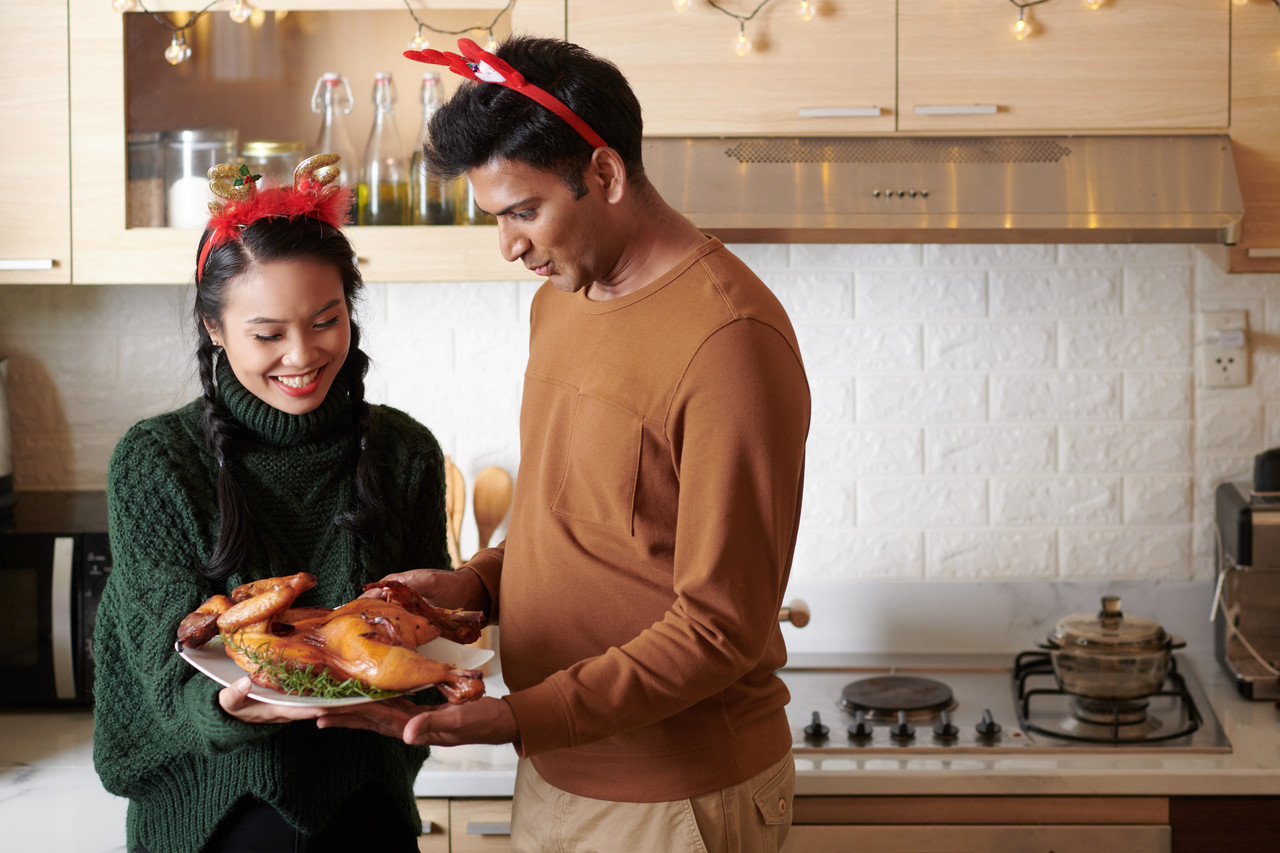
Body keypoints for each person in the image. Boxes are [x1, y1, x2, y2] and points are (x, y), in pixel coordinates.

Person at [321, 36, 811, 852]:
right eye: (497, 217)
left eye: (524, 210)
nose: (509, 245)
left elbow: (721, 625)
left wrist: (517, 716)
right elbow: (579, 528)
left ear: (607, 175)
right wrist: (471, 585)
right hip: (555, 768)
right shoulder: (564, 298)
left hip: (673, 798)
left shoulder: (730, 339)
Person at [92, 154, 450, 853]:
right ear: (216, 330)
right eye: (267, 334)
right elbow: (159, 640)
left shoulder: (406, 451)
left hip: (365, 804)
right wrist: (219, 703)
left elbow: (421, 623)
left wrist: (429, 686)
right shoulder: (156, 459)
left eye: (326, 320)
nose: (301, 354)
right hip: (210, 810)